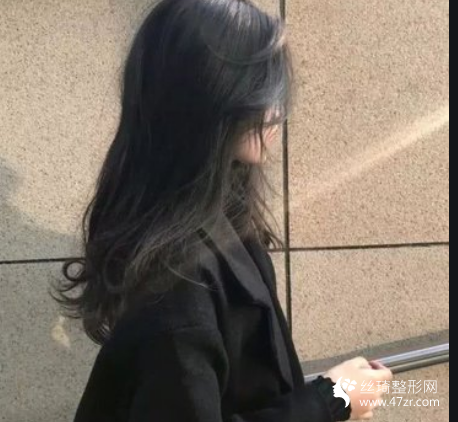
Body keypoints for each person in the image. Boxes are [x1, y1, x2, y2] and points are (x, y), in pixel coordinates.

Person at [56, 0, 393, 421]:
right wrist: (332, 400)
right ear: (208, 98)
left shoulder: (213, 223)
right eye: (262, 90)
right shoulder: (177, 284)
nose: (277, 112)